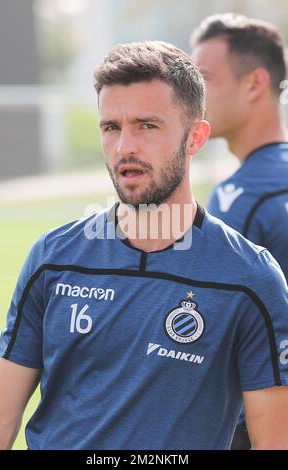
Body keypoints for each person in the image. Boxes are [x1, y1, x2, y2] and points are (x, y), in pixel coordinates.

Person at [0, 41, 288, 450]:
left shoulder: (251, 278)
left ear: (196, 137)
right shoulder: (52, 258)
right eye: (111, 127)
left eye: (147, 125)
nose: (124, 147)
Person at [191, 13, 288, 448]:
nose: (192, 95)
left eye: (204, 79)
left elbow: (211, 333)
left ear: (254, 84)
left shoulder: (240, 195)